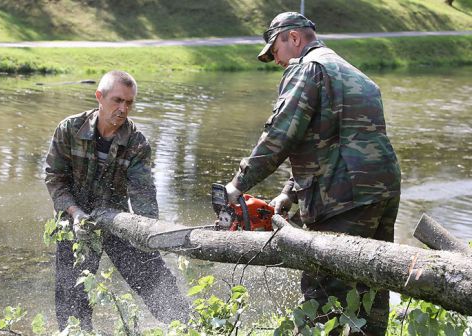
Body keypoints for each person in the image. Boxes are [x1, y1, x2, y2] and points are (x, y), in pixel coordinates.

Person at [224, 12, 401, 335]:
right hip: (382, 191)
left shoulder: (307, 68)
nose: (276, 60)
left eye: (274, 50)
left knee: (323, 294)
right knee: (371, 288)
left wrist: (237, 185)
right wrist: (288, 194)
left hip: (343, 196)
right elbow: (328, 139)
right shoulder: (354, 73)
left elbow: (281, 134)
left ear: (293, 38)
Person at [44, 70, 189, 331]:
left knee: (159, 285)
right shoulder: (69, 129)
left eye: (129, 103)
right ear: (99, 97)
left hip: (117, 220)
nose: (123, 109)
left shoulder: (137, 143)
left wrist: (149, 233)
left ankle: (193, 327)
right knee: (71, 300)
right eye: (117, 100)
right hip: (74, 221)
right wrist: (75, 212)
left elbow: (143, 194)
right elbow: (55, 179)